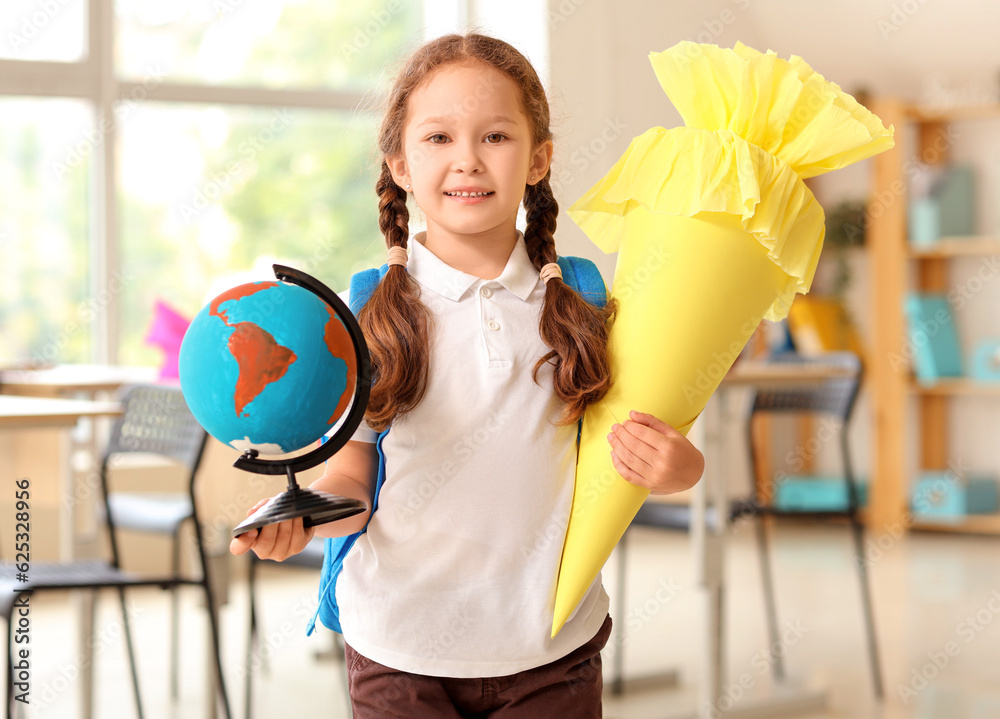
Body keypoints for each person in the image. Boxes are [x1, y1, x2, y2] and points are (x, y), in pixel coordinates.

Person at [230, 32, 705, 718]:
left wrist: (681, 467)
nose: (467, 160)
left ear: (539, 157)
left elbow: (626, 446)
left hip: (553, 649)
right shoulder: (366, 310)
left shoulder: (583, 300)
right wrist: (304, 519)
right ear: (398, 162)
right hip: (398, 651)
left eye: (496, 136)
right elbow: (354, 482)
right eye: (438, 138)